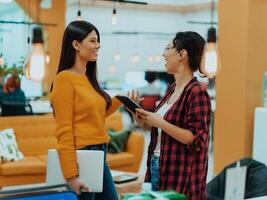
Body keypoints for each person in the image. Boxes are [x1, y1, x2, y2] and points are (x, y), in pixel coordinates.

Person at [50, 20, 138, 200]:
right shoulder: (64, 79)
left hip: (99, 154)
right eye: (92, 41)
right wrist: (71, 176)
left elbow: (96, 115)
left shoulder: (89, 79)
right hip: (82, 156)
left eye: (98, 41)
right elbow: (64, 131)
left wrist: (121, 99)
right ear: (75, 44)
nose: (98, 45)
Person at [134, 31, 211, 199]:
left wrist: (159, 122)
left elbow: (194, 138)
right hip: (157, 165)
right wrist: (143, 121)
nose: (164, 54)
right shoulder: (172, 89)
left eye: (168, 48)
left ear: (182, 54)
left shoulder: (197, 91)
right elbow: (164, 129)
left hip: (180, 173)